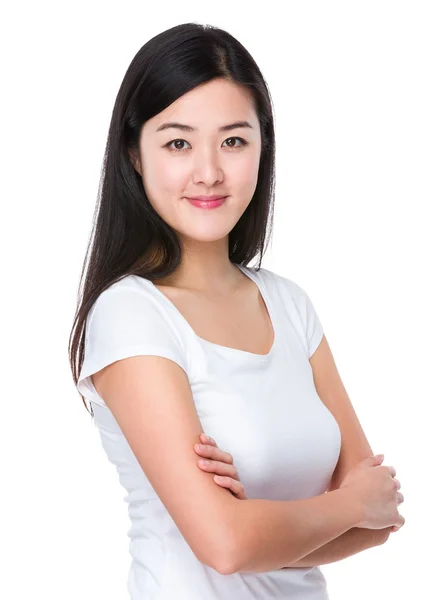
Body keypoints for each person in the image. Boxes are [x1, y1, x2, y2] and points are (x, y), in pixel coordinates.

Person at [69, 22, 404, 600]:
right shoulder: (131, 315)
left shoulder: (289, 304)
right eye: (178, 143)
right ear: (134, 153)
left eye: (233, 140)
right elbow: (226, 546)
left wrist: (264, 525)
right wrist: (342, 504)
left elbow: (379, 523)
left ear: (261, 148)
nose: (209, 172)